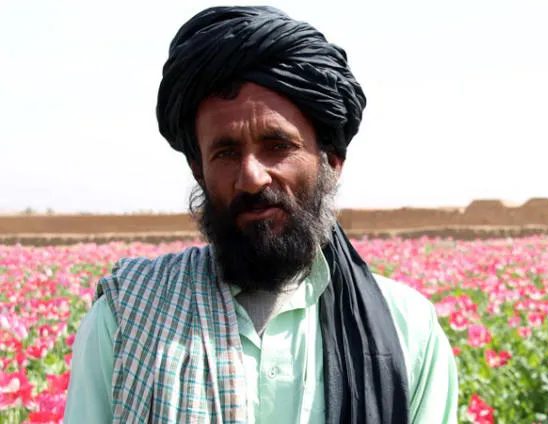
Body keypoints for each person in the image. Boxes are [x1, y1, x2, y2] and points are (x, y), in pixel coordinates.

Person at [64, 5, 459, 424]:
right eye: (226, 152)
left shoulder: (407, 331)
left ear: (331, 159)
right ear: (198, 169)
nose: (252, 177)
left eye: (278, 146)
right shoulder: (125, 321)